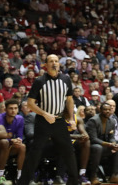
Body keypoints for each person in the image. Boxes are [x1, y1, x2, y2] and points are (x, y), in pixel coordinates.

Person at [19, 54, 80, 185]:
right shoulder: (39, 81)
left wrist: (71, 118)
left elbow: (69, 100)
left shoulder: (66, 79)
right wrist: (45, 114)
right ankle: (23, 182)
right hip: (43, 121)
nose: (54, 63)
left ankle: (74, 181)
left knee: (69, 151)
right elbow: (30, 103)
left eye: (56, 61)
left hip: (59, 121)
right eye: (51, 61)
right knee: (35, 152)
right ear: (45, 65)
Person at [0, 99, 26, 183]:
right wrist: (11, 140)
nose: (13, 110)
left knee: (22, 146)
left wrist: (18, 140)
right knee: (5, 143)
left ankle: (20, 175)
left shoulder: (20, 119)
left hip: (9, 145)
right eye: (11, 108)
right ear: (5, 109)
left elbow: (20, 136)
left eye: (15, 108)